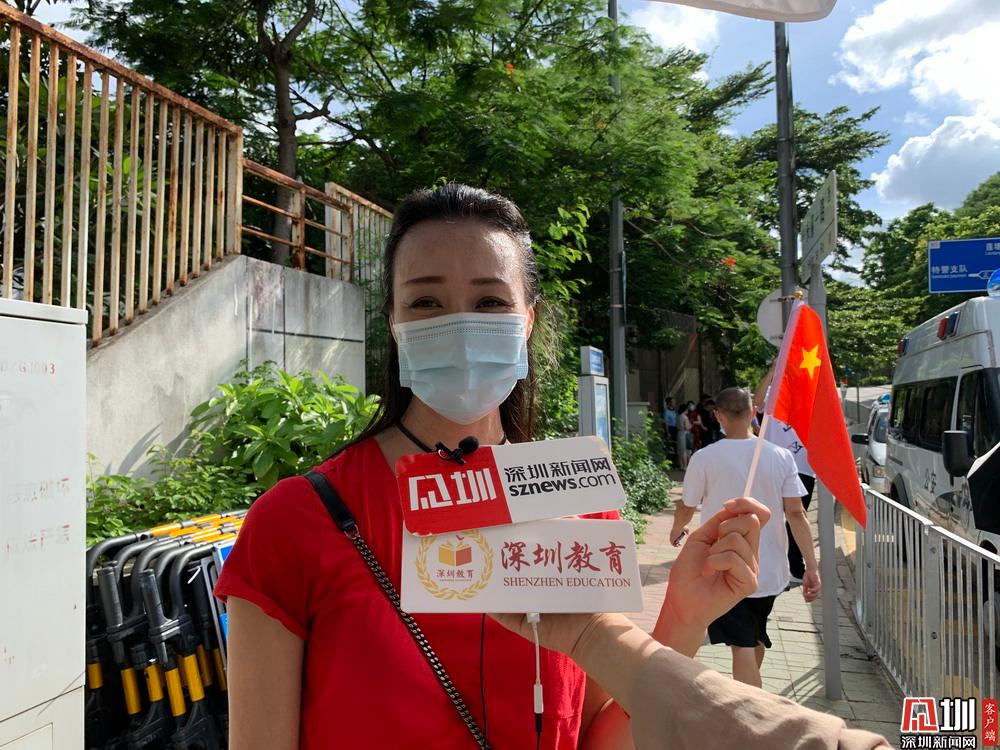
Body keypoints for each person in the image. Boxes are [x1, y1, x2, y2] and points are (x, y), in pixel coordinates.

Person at [214, 184, 771, 750]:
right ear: (393, 323)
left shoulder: (581, 507)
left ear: (528, 320)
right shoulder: (295, 520)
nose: (460, 326)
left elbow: (596, 736)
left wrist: (683, 617)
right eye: (426, 302)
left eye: (489, 302)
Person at [670, 387, 821, 688]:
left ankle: (750, 707)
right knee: (754, 636)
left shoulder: (705, 457)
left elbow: (687, 505)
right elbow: (796, 513)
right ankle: (751, 693)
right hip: (770, 568)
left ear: (718, 415)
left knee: (743, 645)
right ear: (753, 412)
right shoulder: (781, 456)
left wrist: (677, 529)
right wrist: (811, 566)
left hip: (724, 563)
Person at [754, 363, 817, 585]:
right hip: (774, 465)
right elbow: (755, 404)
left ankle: (796, 569)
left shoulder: (810, 397)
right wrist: (772, 372)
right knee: (769, 517)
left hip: (804, 467)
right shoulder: (772, 395)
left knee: (797, 518)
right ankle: (767, 564)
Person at [677, 402, 693, 469]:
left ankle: (681, 465)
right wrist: (691, 425)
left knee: (680, 449)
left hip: (679, 433)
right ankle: (685, 466)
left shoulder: (678, 416)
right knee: (685, 450)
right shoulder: (685, 417)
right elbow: (687, 427)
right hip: (685, 434)